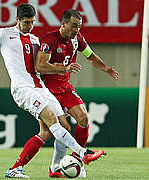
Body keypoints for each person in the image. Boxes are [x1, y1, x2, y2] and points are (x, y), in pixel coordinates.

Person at [0, 4, 105, 178]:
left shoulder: (36, 40)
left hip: (40, 88)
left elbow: (41, 66)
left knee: (62, 127)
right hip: (22, 89)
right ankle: (83, 153)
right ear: (17, 20)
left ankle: (47, 168)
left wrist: (59, 67)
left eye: (32, 22)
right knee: (52, 121)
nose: (30, 26)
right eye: (26, 22)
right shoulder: (3, 34)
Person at [36, 9, 119, 178]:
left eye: (79, 26)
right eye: (74, 26)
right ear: (63, 24)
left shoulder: (77, 39)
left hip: (64, 87)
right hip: (47, 89)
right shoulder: (49, 40)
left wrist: (105, 68)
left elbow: (90, 55)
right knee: (61, 129)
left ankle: (76, 159)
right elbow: (40, 66)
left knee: (83, 118)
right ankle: (56, 166)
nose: (77, 30)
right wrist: (64, 68)